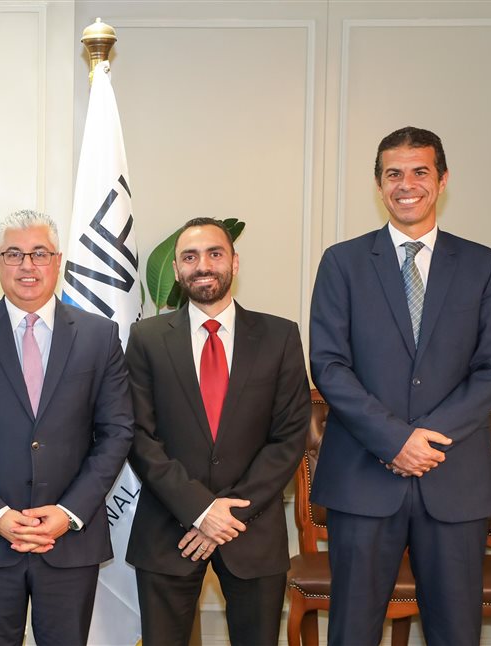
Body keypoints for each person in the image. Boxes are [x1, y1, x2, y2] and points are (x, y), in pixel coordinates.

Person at [309, 126, 491, 645]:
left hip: (453, 479)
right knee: (352, 633)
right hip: (363, 478)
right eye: (393, 174)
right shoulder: (342, 263)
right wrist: (395, 440)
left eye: (420, 172)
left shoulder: (483, 265)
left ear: (442, 180)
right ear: (379, 185)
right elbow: (329, 365)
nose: (407, 184)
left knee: (455, 633)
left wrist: (424, 441)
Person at [0, 209, 132, 645]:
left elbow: (116, 432)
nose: (27, 265)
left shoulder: (100, 336)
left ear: (58, 261)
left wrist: (67, 513)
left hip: (70, 540)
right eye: (14, 254)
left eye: (39, 253)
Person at [124, 217, 309, 644]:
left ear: (234, 262)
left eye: (214, 254)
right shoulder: (146, 339)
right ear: (176, 270)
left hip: (252, 530)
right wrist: (200, 510)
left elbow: (288, 437)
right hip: (168, 530)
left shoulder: (280, 336)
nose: (203, 265)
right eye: (190, 257)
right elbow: (138, 435)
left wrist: (225, 514)